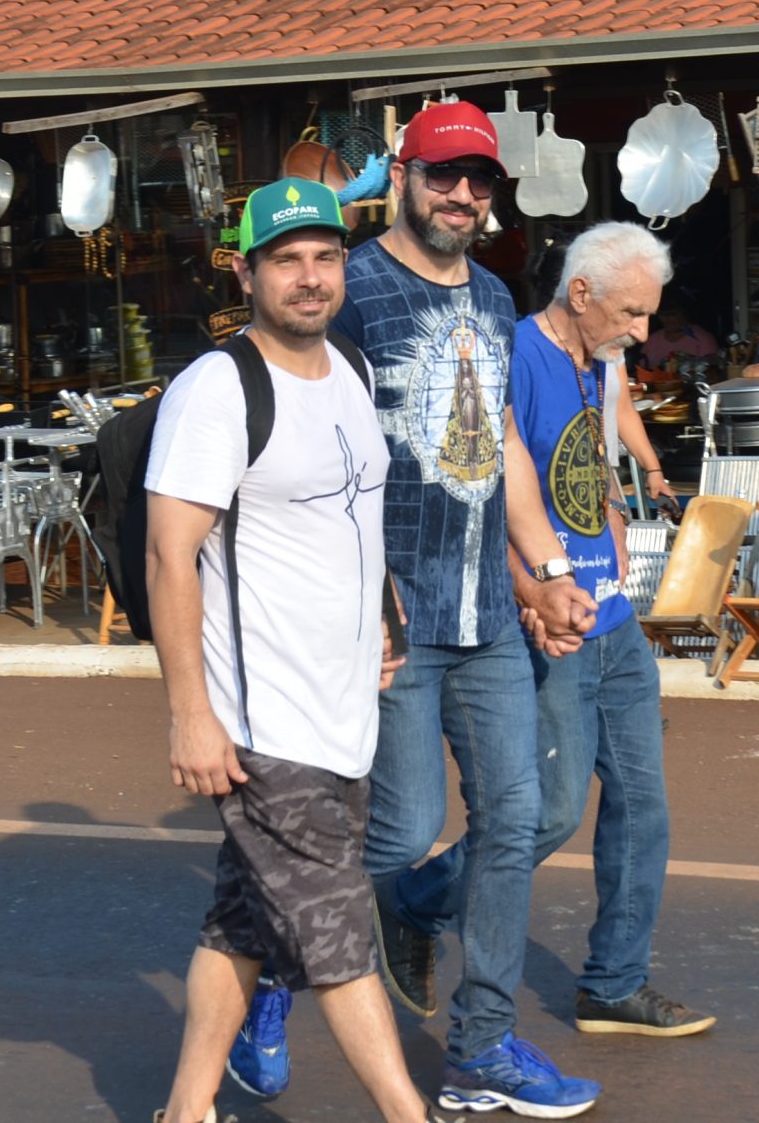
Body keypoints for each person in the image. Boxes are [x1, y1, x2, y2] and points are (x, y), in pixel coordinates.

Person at [232, 102, 602, 1120]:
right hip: (391, 618)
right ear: (402, 174)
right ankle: (273, 964)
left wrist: (549, 565)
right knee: (395, 833)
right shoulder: (350, 293)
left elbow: (509, 449)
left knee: (521, 815)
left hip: (486, 612)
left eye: (479, 181)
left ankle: (480, 1049)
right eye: (444, 176)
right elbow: (312, 454)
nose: (463, 196)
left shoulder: (491, 293)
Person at [142, 179, 437, 1123]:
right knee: (336, 933)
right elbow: (168, 554)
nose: (309, 279)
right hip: (265, 721)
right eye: (286, 261)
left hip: (340, 704)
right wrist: (192, 714)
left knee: (242, 923)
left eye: (324, 258)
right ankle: (408, 1113)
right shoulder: (219, 390)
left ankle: (185, 1113)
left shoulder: (347, 368)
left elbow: (354, 513)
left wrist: (381, 618)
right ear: (247, 271)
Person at [419, 223, 717, 1039]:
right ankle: (413, 900)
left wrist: (622, 503)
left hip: (613, 623)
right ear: (579, 293)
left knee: (642, 809)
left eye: (649, 315)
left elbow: (591, 461)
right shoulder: (515, 354)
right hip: (548, 625)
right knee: (546, 815)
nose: (642, 332)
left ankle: (614, 983)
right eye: (630, 313)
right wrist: (527, 590)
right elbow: (482, 492)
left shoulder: (601, 359)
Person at [640, 305, 718, 372]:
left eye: (672, 314)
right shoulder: (652, 339)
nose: (666, 319)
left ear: (685, 313)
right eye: (662, 314)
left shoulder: (703, 339)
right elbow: (642, 369)